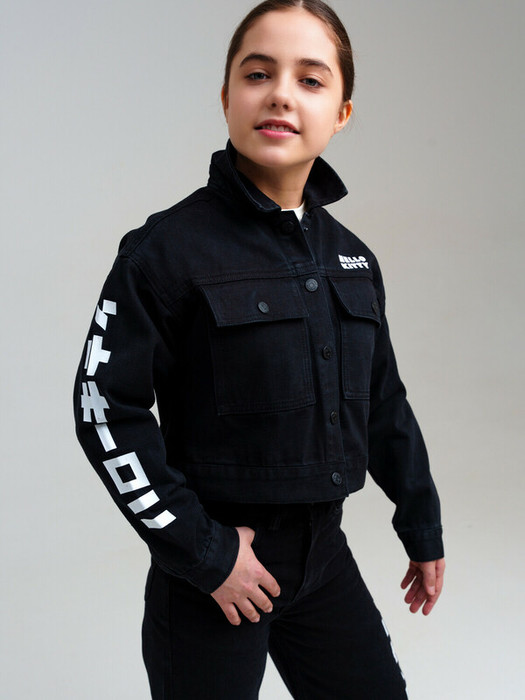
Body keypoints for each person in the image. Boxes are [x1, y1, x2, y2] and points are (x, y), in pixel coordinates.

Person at [73, 1, 445, 697]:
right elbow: (105, 410)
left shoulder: (352, 260)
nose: (279, 94)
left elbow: (383, 402)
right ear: (226, 97)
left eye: (310, 79)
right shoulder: (164, 252)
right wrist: (205, 552)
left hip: (323, 559)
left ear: (341, 113)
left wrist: (421, 523)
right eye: (257, 73)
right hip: (214, 573)